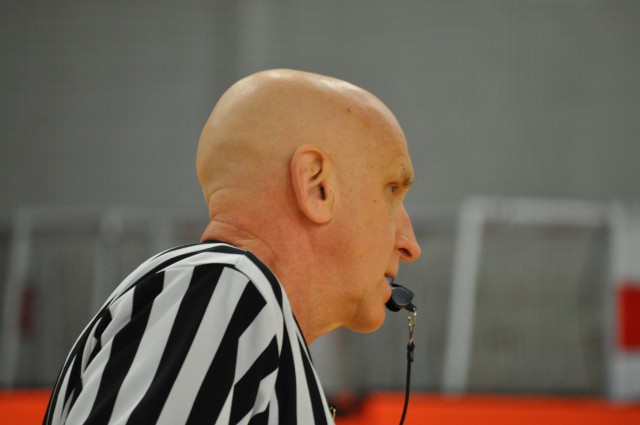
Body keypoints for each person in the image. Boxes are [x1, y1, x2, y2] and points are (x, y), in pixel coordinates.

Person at [43, 69, 422, 425]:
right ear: (316, 186)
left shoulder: (224, 301)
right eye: (392, 189)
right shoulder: (227, 288)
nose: (410, 245)